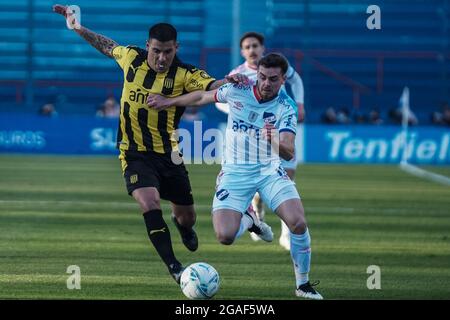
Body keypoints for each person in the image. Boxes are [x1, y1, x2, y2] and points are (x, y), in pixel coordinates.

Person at [52, 4, 248, 284]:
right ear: (148, 46)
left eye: (168, 52)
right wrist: (78, 27)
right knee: (149, 202)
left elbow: (210, 86)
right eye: (156, 50)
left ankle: (184, 228)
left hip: (169, 155)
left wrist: (228, 81)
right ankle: (175, 267)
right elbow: (108, 46)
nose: (161, 57)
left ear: (176, 48)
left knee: (187, 217)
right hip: (133, 153)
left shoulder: (185, 74)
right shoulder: (131, 58)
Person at [147, 53, 323, 300]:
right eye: (262, 77)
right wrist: (168, 101)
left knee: (298, 223)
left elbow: (289, 151)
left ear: (283, 80)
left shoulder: (286, 108)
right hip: (235, 173)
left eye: (273, 79)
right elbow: (201, 96)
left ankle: (303, 285)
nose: (266, 83)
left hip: (269, 171)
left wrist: (273, 140)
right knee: (225, 236)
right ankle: (249, 220)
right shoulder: (238, 90)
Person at [215, 32, 305, 251]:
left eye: (255, 45)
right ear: (242, 51)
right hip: (252, 142)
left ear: (262, 48)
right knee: (258, 187)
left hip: (279, 128)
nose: (252, 50)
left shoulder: (277, 65)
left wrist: (299, 103)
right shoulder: (237, 74)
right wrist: (238, 110)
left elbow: (296, 79)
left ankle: (286, 233)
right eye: (247, 47)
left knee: (288, 177)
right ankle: (255, 213)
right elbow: (219, 99)